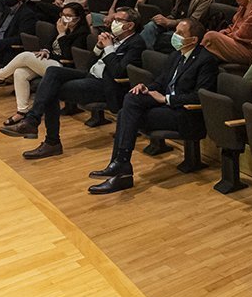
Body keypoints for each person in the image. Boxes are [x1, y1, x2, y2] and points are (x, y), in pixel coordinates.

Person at [88, 18, 219, 194]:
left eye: (180, 33)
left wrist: (166, 99)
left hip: (185, 114)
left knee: (126, 116)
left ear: (194, 40)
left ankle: (121, 167)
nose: (175, 36)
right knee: (132, 98)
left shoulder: (206, 60)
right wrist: (146, 88)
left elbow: (200, 96)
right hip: (167, 108)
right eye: (175, 32)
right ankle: (121, 164)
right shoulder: (176, 55)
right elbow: (160, 82)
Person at [0, 7, 145, 158]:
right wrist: (98, 47)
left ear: (130, 25)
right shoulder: (113, 39)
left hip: (106, 86)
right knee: (52, 73)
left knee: (51, 89)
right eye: (114, 19)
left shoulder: (136, 43)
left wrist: (108, 48)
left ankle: (48, 138)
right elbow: (90, 65)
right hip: (91, 76)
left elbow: (118, 72)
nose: (113, 22)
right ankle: (34, 122)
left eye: (118, 20)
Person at [0, 1, 90, 127]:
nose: (64, 18)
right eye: (62, 14)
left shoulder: (81, 34)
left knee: (26, 56)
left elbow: (68, 55)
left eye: (68, 15)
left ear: (78, 18)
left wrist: (62, 34)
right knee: (20, 72)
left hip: (64, 68)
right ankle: (22, 111)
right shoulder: (59, 26)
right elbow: (49, 44)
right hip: (51, 61)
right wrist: (45, 50)